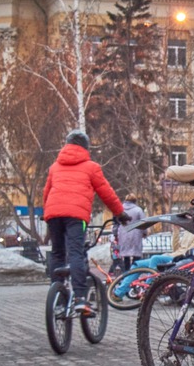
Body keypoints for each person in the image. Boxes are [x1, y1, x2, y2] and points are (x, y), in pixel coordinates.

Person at [43, 130, 131, 316]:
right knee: (76, 252)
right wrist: (120, 214)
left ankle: (57, 295)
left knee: (57, 252)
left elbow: (47, 192)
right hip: (76, 216)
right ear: (85, 147)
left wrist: (47, 214)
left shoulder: (54, 167)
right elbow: (106, 192)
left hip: (53, 214)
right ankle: (81, 298)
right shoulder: (91, 167)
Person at [114, 193, 147, 271]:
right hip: (136, 234)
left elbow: (115, 222)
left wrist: (115, 234)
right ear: (135, 201)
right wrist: (144, 232)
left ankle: (126, 272)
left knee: (126, 255)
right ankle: (135, 270)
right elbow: (143, 222)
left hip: (123, 232)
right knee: (136, 254)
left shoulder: (120, 209)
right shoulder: (138, 210)